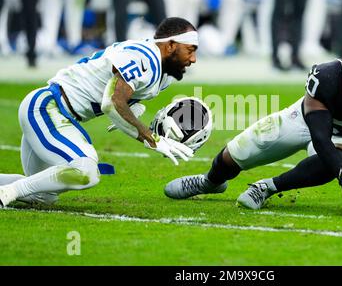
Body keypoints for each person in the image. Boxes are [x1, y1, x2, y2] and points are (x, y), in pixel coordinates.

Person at [165, 32, 342, 217]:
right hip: (304, 120)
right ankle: (209, 182)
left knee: (337, 160)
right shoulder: (326, 77)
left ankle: (266, 188)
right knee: (238, 153)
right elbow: (319, 135)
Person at [0, 17, 198, 207]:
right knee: (86, 171)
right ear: (170, 45)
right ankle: (8, 192)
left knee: (42, 196)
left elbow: (120, 96)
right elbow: (112, 103)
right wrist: (152, 139)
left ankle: (9, 188)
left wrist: (136, 111)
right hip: (47, 109)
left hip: (58, 116)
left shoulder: (164, 75)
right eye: (190, 50)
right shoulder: (144, 58)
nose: (194, 59)